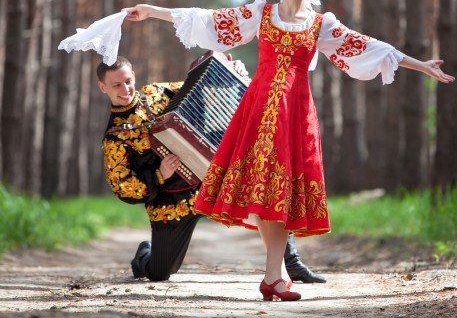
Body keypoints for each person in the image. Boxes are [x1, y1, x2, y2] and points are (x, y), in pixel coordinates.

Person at [123, 0, 455, 300]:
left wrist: (422, 65)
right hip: (257, 111)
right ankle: (274, 275)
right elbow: (208, 20)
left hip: (294, 114)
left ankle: (274, 274)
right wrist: (151, 11)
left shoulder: (321, 24)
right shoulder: (260, 14)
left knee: (277, 190)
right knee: (262, 190)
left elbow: (368, 47)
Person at [97, 53, 326, 283]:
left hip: (211, 178)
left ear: (134, 76)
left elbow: (203, 85)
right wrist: (159, 175)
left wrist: (230, 70)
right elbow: (123, 187)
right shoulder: (115, 138)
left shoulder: (156, 92)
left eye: (128, 81)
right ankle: (144, 256)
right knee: (160, 273)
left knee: (264, 189)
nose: (125, 89)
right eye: (116, 85)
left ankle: (291, 262)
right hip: (171, 203)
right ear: (103, 87)